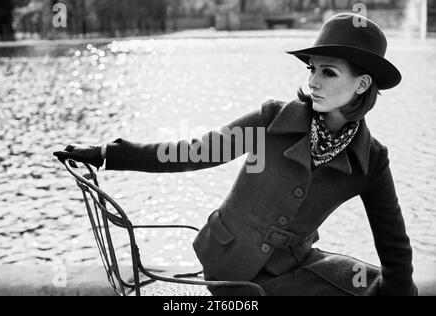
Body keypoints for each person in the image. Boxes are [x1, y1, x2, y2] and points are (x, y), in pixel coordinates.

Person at [54, 13, 418, 296]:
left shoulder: (371, 159)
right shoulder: (273, 119)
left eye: (328, 72)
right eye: (312, 70)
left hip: (290, 267)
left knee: (375, 285)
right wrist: (107, 154)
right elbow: (191, 153)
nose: (313, 82)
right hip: (230, 265)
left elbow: (393, 243)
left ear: (363, 83)